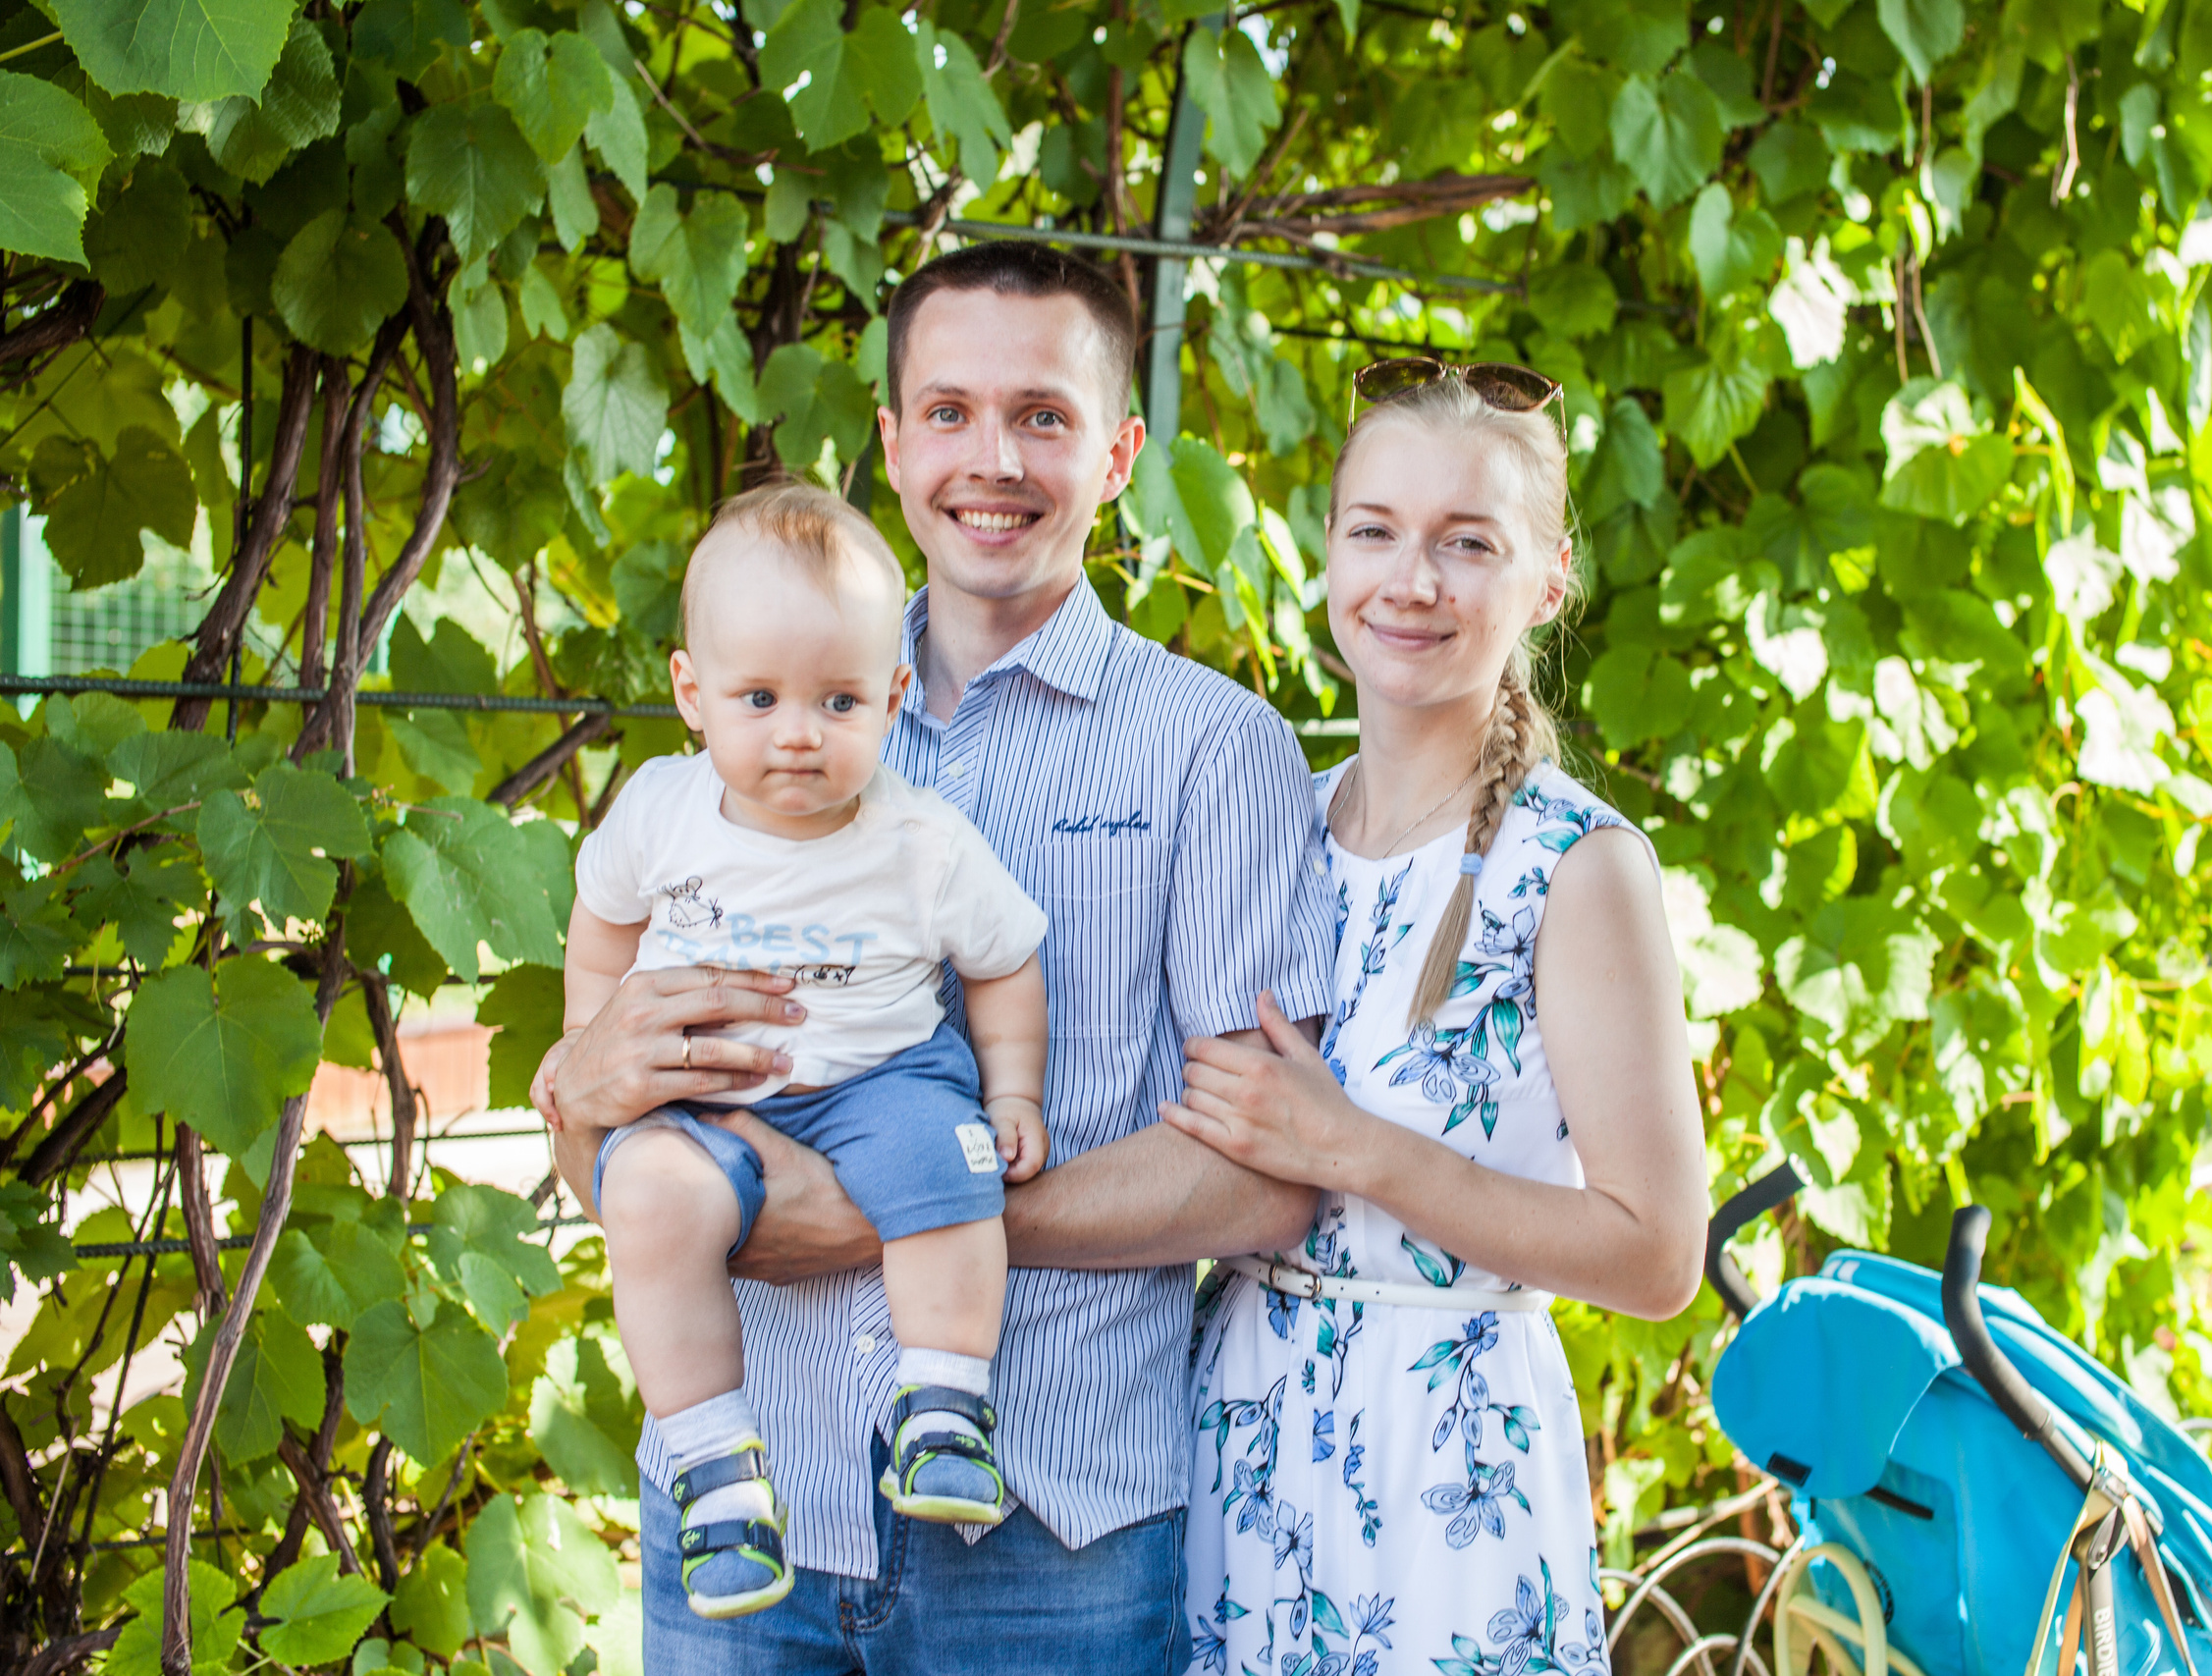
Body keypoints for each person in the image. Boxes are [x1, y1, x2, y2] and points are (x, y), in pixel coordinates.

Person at [533, 241, 1335, 1673]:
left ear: (1119, 452)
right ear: (893, 443)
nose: (994, 458)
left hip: (1055, 1525)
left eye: (1044, 414)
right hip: (744, 1503)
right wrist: (577, 1075)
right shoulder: (748, 720)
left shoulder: (1216, 750)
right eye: (950, 410)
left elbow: (1270, 1176)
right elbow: (598, 1114)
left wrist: (897, 1206)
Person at [1161, 365, 1711, 1675]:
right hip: (1241, 1439)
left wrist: (1357, 1148)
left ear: (1549, 578)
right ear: (1331, 543)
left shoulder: (1573, 864)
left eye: (1469, 542)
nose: (1413, 580)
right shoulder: (1270, 816)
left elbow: (1657, 1254)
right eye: (1377, 529)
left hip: (1447, 1469)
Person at [563, 484, 1052, 1621]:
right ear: (692, 694)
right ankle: (714, 1464)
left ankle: (944, 1408)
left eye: (838, 701)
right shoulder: (660, 812)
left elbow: (1005, 956)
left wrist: (1014, 1085)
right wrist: (592, 1039)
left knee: (955, 1169)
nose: (798, 732)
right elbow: (601, 919)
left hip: (883, 1081)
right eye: (759, 697)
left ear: (891, 698)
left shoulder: (920, 838)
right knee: (645, 1196)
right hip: (706, 1100)